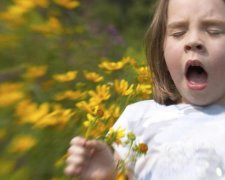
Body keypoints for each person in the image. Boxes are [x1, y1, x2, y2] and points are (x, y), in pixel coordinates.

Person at [64, 0, 225, 179]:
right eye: (178, 33)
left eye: (214, 31)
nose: (193, 41)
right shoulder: (139, 119)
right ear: (161, 47)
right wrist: (107, 175)